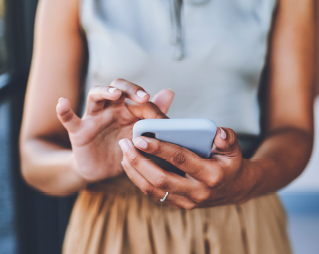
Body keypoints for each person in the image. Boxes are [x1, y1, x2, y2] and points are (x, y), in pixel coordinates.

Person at [19, 0, 314, 253]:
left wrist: (245, 180)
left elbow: (294, 129)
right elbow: (34, 155)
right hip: (114, 228)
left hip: (244, 222)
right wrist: (80, 166)